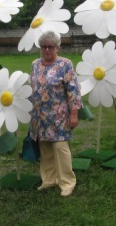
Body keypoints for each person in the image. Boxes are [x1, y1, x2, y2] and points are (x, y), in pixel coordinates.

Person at [29, 31, 82, 197]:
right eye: (43, 46)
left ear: (57, 47)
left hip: (59, 116)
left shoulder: (65, 64)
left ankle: (67, 183)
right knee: (45, 149)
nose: (46, 50)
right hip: (40, 116)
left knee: (60, 148)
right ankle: (49, 180)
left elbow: (74, 90)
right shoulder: (35, 64)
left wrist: (74, 114)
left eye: (50, 47)